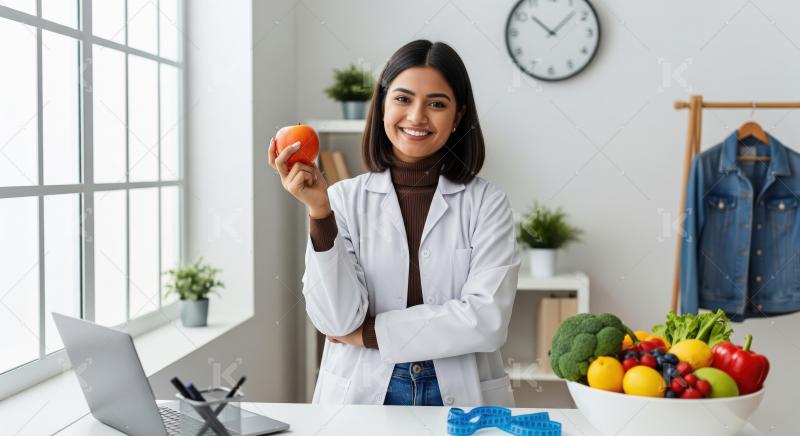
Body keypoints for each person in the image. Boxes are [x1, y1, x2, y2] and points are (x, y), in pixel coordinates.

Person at [267, 40, 520, 407]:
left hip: (458, 388)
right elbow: (336, 321)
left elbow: (487, 319)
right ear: (382, 105)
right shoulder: (341, 199)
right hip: (364, 390)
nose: (417, 116)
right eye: (403, 99)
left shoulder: (486, 203)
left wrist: (371, 332)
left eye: (436, 103)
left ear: (458, 116)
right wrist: (320, 213)